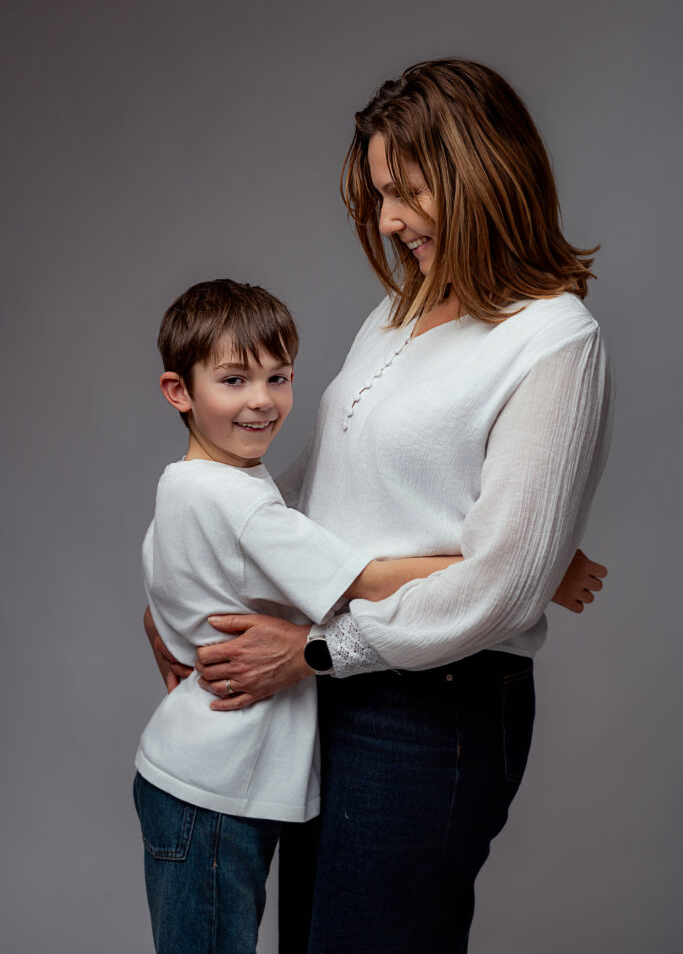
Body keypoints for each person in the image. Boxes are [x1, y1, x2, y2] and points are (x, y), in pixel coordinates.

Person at [146, 59, 613, 953]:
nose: (388, 219)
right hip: (330, 688)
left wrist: (316, 650)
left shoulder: (556, 341)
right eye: (380, 194)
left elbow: (504, 587)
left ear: (481, 173)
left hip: (431, 705)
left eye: (406, 191)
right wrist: (182, 583)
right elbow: (307, 494)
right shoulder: (398, 310)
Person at [134, 277, 481, 954]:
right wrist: (506, 562)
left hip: (201, 778)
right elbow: (366, 582)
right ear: (179, 391)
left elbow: (164, 581)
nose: (262, 400)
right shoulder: (238, 502)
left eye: (279, 376)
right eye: (233, 380)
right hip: (214, 789)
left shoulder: (188, 482)